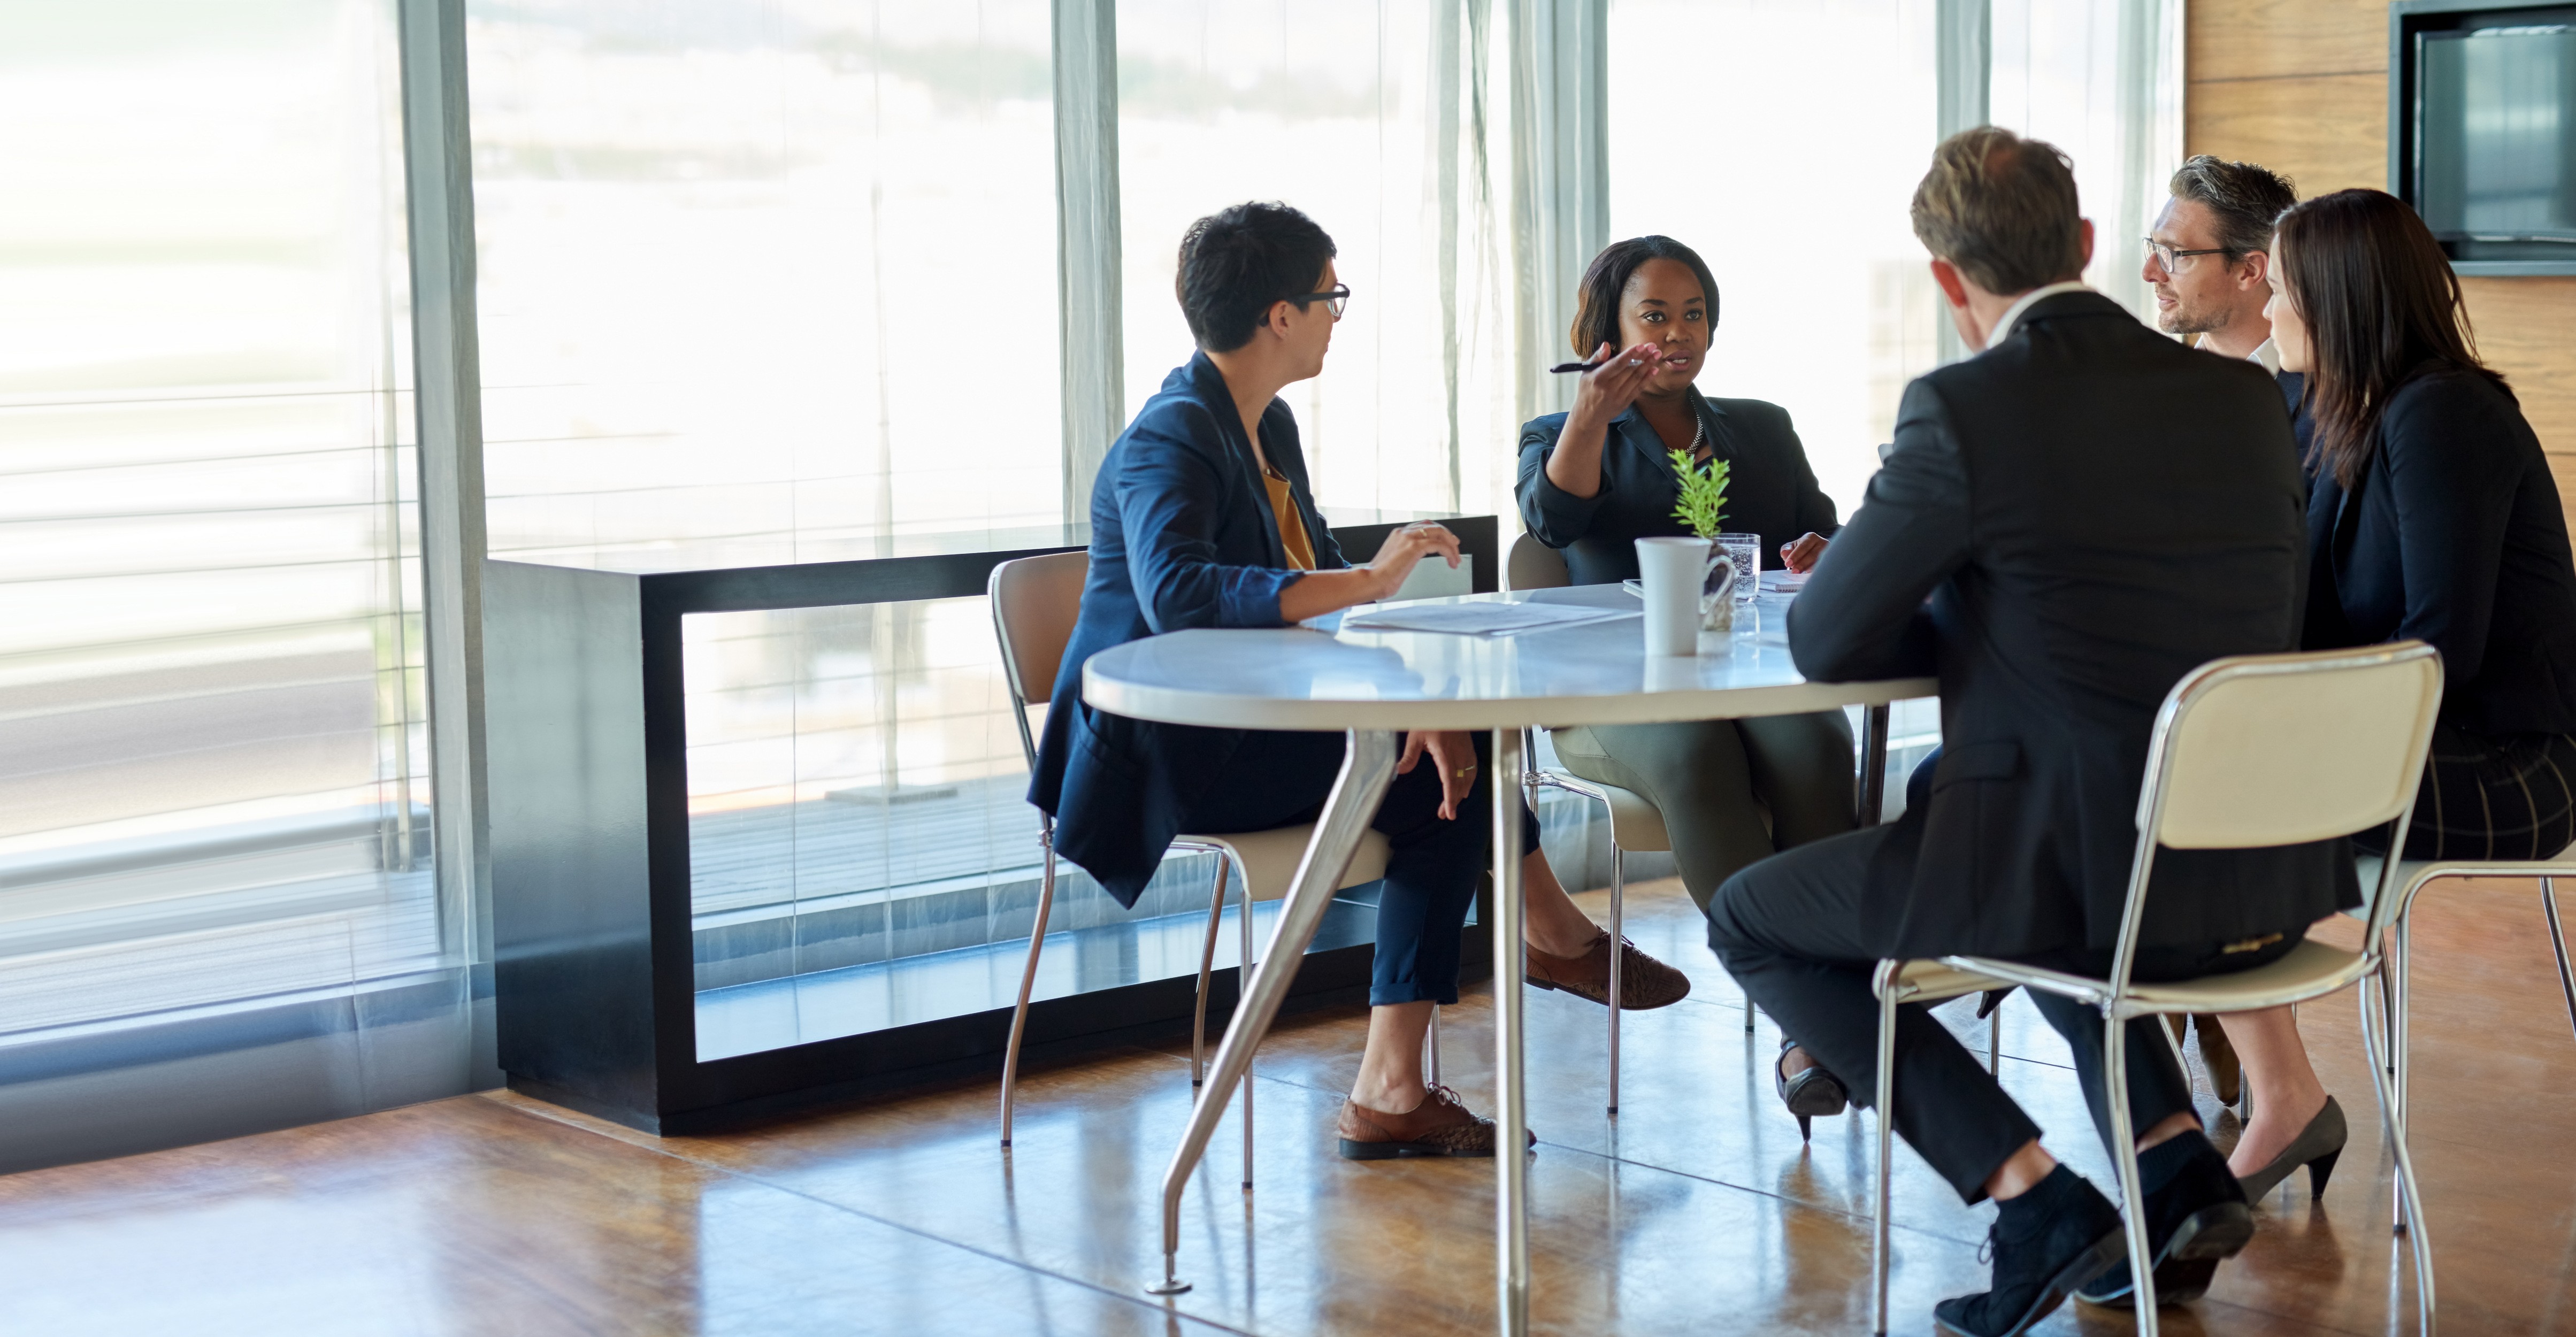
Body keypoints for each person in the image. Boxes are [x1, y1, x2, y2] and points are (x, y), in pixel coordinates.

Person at [1705, 128, 2351, 1336]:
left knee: (1751, 916)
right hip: (2256, 875)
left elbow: (1826, 641)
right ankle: (2168, 1163)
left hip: (2087, 878)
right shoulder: (2239, 398)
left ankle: (2030, 1192)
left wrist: (1939, 582)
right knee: (2014, 836)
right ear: (2091, 247)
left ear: (1946, 280)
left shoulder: (1960, 406)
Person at [1028, 201, 1690, 1161]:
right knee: (1442, 783)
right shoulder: (1170, 436)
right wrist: (1373, 585)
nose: (1340, 313)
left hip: (1252, 727)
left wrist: (1402, 700)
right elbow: (1180, 594)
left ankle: (1426, 1055)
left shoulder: (1266, 425)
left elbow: (1318, 600)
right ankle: (1492, 992)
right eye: (1332, 296)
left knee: (1447, 759)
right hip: (1167, 752)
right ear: (1280, 315)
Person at [2209, 188, 2576, 1202]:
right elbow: (2309, 619)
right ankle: (2277, 1089)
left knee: (2206, 802)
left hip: (2513, 764)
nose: (2268, 309)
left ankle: (2275, 1093)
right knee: (2174, 777)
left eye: (2279, 291)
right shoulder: (2346, 415)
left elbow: (2438, 651)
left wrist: (2280, 729)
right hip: (2415, 740)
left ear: (2338, 301)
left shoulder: (2444, 414)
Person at [1512, 236, 1855, 1123]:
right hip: (1613, 702)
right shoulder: (1557, 434)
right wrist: (1591, 414)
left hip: (1745, 679)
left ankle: (1830, 985)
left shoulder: (1764, 427)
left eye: (1692, 314)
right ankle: (1807, 1019)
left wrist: (1823, 553)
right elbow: (1551, 523)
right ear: (1609, 332)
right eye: (1654, 316)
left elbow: (1826, 534)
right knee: (1700, 754)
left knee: (1816, 739)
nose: (1677, 334)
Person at [2137, 153, 2302, 1109]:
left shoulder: (2320, 404)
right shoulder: (2145, 391)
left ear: (2252, 271)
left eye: (2173, 251)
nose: (2152, 271)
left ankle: (2174, 1060)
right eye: (2152, 248)